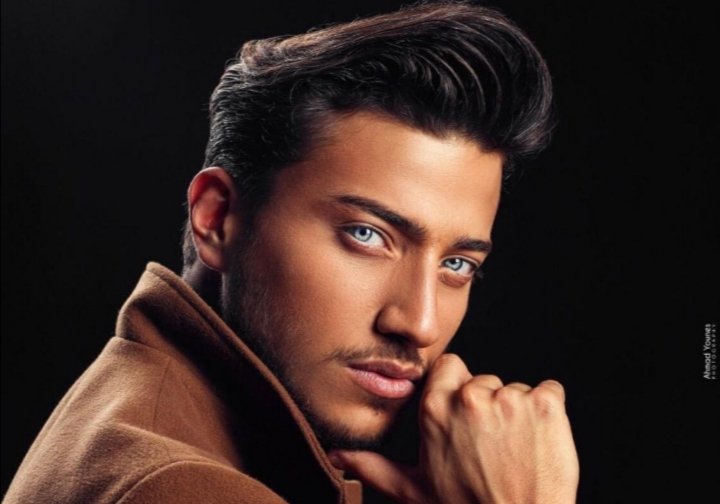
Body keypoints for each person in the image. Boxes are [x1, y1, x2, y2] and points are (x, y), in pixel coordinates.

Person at [4, 1, 579, 502]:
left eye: (457, 264)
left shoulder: (156, 423)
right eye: (367, 235)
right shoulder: (176, 486)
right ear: (218, 219)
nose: (419, 324)